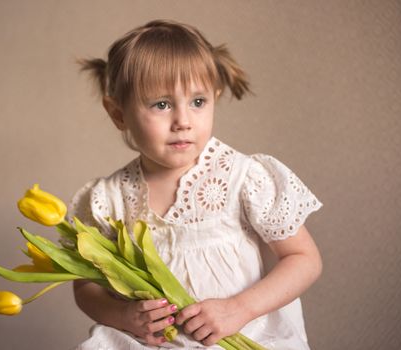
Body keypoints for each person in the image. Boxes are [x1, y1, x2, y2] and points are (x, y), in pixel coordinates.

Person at [69, 19, 323, 350]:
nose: (183, 122)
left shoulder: (242, 177)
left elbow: (304, 259)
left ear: (215, 97)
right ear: (118, 114)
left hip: (243, 332)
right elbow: (85, 286)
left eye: (198, 102)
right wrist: (123, 316)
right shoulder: (109, 198)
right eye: (161, 104)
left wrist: (240, 308)